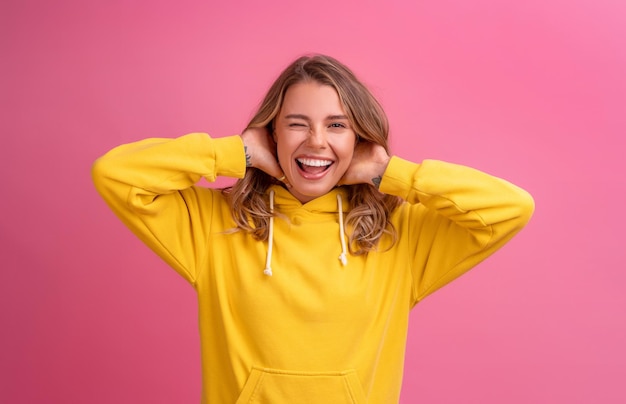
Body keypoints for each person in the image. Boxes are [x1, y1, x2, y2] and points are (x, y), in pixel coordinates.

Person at [92, 54, 534, 403]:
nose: (316, 142)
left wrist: (392, 174)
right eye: (296, 124)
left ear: (359, 140)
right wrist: (232, 155)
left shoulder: (398, 235)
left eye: (337, 126)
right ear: (271, 136)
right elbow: (116, 174)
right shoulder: (215, 224)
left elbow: (510, 208)